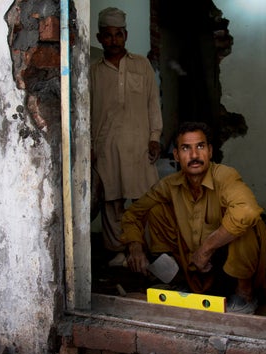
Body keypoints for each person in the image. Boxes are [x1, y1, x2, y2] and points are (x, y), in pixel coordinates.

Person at [120, 122, 266, 314]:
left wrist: (207, 248)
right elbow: (133, 213)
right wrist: (135, 246)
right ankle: (174, 282)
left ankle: (244, 296)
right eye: (186, 148)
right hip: (197, 270)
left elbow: (248, 210)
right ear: (177, 156)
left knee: (246, 221)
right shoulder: (169, 185)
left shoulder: (225, 176)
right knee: (156, 210)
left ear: (210, 151)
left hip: (234, 269)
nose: (194, 156)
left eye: (200, 147)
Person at [91, 7, 163, 267]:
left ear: (126, 35)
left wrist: (155, 136)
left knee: (145, 198)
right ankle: (118, 251)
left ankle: (147, 248)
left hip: (140, 144)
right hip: (106, 147)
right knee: (112, 199)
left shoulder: (141, 65)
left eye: (118, 34)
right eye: (107, 35)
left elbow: (153, 104)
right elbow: (85, 113)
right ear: (99, 38)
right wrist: (88, 147)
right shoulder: (93, 72)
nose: (113, 40)